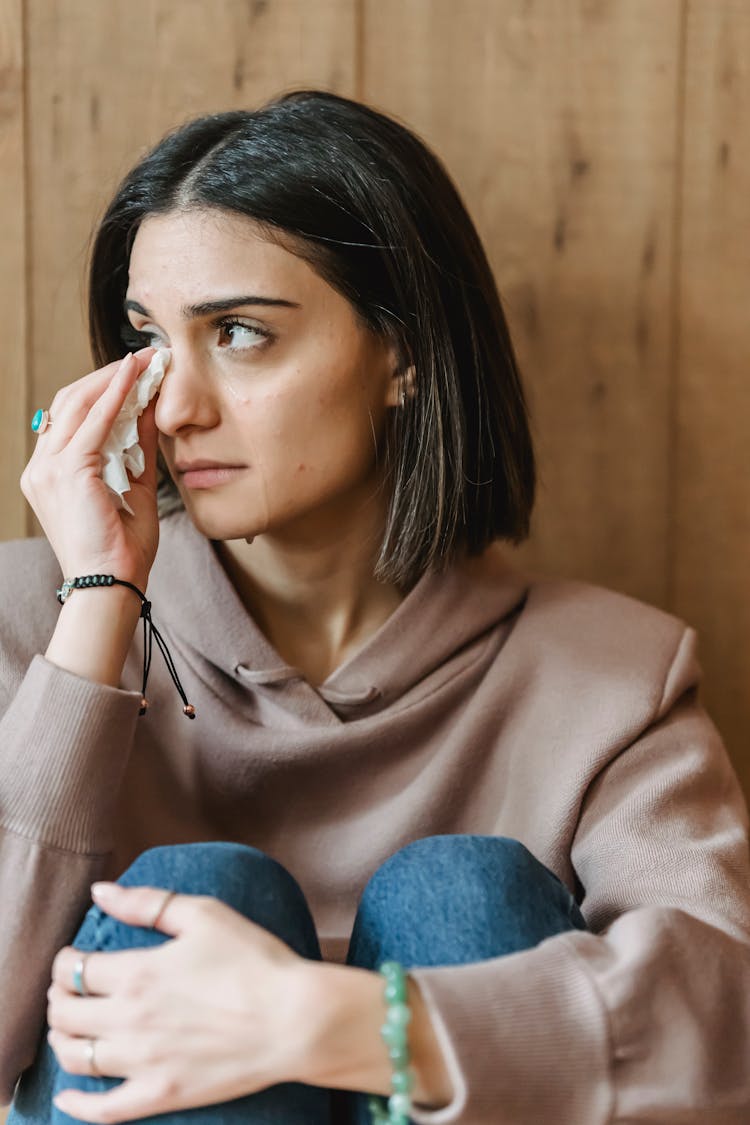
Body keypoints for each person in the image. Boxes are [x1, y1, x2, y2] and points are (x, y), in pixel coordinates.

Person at [1, 88, 749, 1125]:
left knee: (467, 896)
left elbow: (723, 1031)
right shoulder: (30, 614)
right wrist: (97, 608)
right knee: (195, 893)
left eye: (242, 334)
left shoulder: (611, 673)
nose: (173, 408)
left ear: (402, 356)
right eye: (151, 340)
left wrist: (339, 1024)